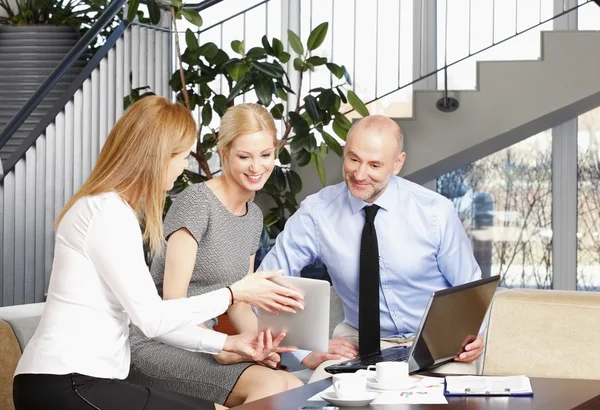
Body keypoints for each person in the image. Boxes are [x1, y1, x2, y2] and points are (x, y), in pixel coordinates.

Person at [12, 96, 304, 410]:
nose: (184, 167)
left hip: (79, 381)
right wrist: (232, 294)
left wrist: (227, 342)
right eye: (180, 156)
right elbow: (153, 320)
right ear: (158, 156)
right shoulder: (106, 212)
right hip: (66, 382)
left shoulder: (113, 210)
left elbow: (152, 317)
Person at [259, 115, 483, 382]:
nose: (360, 174)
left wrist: (473, 336)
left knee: (456, 396)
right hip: (356, 341)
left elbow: (471, 288)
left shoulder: (434, 211)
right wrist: (305, 352)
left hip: (432, 343)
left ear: (397, 163)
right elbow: (267, 283)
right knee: (320, 393)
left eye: (374, 164)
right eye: (353, 159)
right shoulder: (317, 213)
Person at [128, 103, 304, 407]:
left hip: (208, 344)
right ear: (224, 154)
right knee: (271, 386)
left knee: (295, 385)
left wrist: (265, 346)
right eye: (244, 156)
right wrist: (221, 346)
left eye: (265, 155)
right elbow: (174, 301)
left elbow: (239, 306)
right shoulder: (197, 202)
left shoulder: (253, 217)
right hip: (158, 344)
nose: (256, 167)